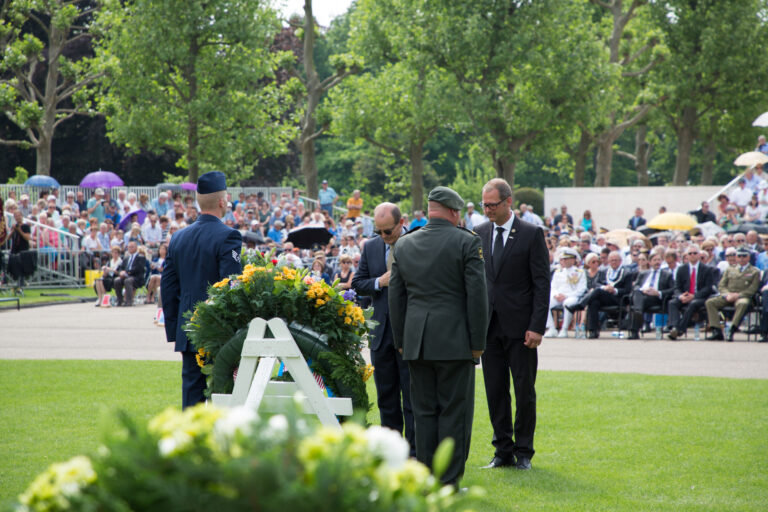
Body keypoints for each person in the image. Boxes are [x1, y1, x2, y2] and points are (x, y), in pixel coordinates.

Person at [388, 187, 488, 487]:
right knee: (454, 414)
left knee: (423, 414)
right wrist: (478, 344)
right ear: (455, 212)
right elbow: (477, 297)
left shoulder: (404, 244)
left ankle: (426, 478)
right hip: (455, 342)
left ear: (430, 210)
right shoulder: (466, 241)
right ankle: (449, 481)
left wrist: (402, 340)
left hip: (416, 341)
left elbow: (397, 298)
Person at [474, 178, 550, 471]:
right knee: (495, 390)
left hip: (522, 329)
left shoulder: (531, 233)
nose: (488, 210)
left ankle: (524, 452)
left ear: (508, 202)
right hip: (489, 328)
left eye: (492, 205)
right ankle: (502, 450)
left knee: (523, 391)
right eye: (484, 205)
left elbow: (541, 283)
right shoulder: (478, 232)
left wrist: (537, 326)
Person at [162, 171, 243, 409]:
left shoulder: (178, 238)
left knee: (192, 400)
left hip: (188, 329)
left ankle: (191, 443)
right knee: (224, 396)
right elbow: (230, 287)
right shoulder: (229, 236)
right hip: (219, 331)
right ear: (221, 202)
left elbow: (167, 289)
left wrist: (176, 330)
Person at [352, 202, 416, 456]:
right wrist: (379, 282)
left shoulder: (416, 242)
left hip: (410, 332)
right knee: (386, 399)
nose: (383, 237)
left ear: (402, 223)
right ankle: (393, 454)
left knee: (412, 400)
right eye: (378, 231)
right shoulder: (371, 247)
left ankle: (413, 453)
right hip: (381, 335)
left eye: (387, 231)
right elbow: (358, 283)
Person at [705, 248, 760, 341]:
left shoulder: (754, 271)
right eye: (739, 256)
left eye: (744, 256)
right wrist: (726, 294)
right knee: (710, 302)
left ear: (749, 257)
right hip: (728, 296)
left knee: (742, 304)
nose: (741, 258)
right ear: (736, 257)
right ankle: (717, 330)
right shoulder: (730, 269)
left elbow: (753, 288)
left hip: (742, 296)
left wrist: (738, 295)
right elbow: (721, 285)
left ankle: (732, 329)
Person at [667, 245, 717, 340]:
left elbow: (708, 288)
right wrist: (680, 296)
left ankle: (679, 329)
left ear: (699, 255)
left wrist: (694, 296)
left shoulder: (706, 269)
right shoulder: (681, 269)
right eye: (690, 253)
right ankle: (674, 327)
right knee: (672, 302)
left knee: (693, 303)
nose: (692, 255)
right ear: (687, 256)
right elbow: (677, 287)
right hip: (685, 296)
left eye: (695, 253)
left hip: (700, 298)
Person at [627, 252, 675, 339]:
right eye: (655, 260)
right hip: (643, 296)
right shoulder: (643, 273)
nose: (657, 262)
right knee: (637, 292)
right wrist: (643, 290)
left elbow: (673, 290)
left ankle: (636, 323)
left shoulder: (667, 274)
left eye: (659, 260)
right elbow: (636, 286)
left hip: (656, 299)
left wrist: (658, 293)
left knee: (637, 302)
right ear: (650, 262)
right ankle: (638, 313)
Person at [544, 248, 586, 338]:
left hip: (572, 296)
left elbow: (582, 289)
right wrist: (556, 295)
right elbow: (553, 286)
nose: (564, 261)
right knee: (544, 303)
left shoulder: (579, 272)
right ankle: (551, 328)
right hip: (559, 296)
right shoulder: (558, 272)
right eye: (563, 259)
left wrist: (566, 296)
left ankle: (564, 329)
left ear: (573, 260)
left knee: (567, 303)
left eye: (566, 259)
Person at [113, 241, 147, 307]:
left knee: (128, 281)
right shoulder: (126, 258)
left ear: (136, 247)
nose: (130, 248)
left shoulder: (141, 257)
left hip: (136, 277)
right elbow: (120, 268)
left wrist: (127, 272)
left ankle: (129, 301)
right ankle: (120, 300)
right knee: (117, 280)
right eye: (129, 247)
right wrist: (121, 272)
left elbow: (138, 268)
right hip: (126, 276)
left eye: (132, 247)